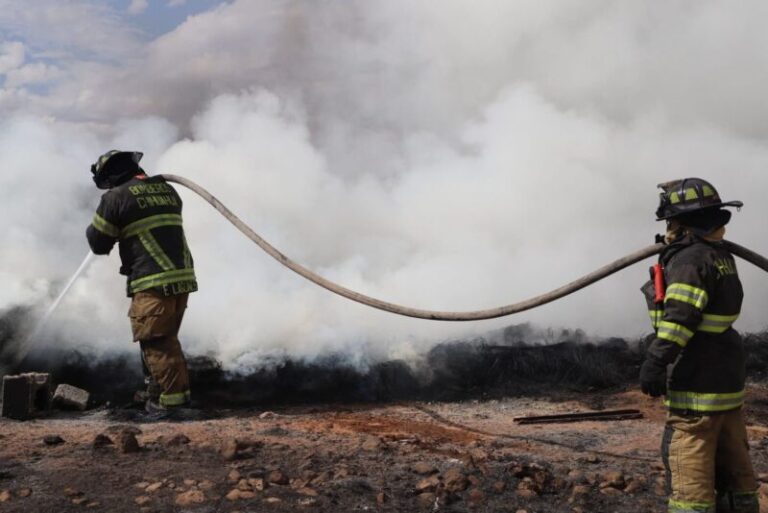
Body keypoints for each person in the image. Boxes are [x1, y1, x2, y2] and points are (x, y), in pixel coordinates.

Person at [640, 178, 757, 513]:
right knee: (736, 473)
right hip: (725, 385)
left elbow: (680, 319)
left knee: (689, 477)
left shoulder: (690, 261)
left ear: (680, 222)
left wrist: (656, 361)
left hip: (696, 386)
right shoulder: (719, 255)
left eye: (671, 222)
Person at [86, 150, 197, 411]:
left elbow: (98, 243)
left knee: (156, 343)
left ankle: (172, 408)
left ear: (111, 175)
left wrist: (106, 218)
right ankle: (157, 394)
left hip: (152, 281)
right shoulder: (168, 191)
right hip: (181, 278)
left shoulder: (116, 198)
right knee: (166, 339)